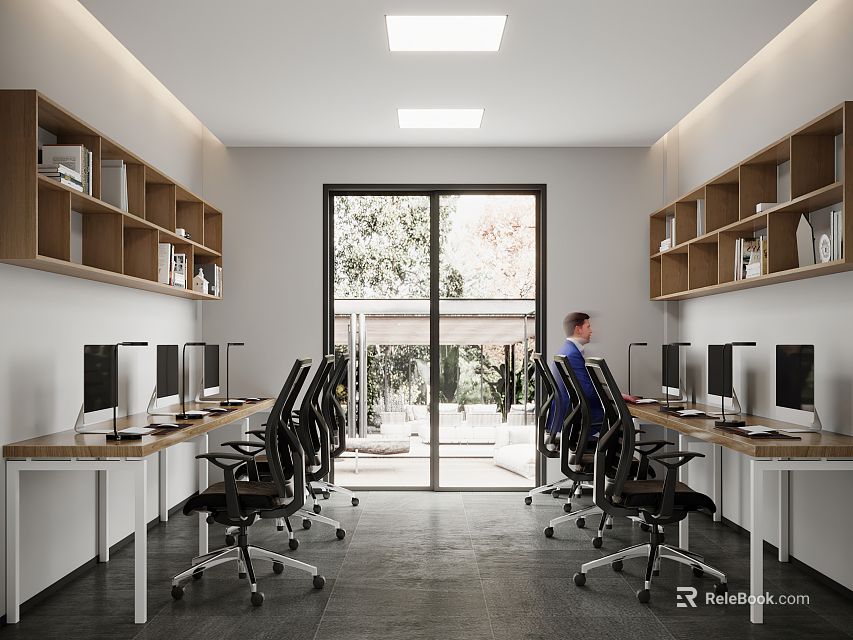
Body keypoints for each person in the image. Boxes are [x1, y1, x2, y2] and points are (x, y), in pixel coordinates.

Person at [549, 312, 605, 439]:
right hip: (577, 422)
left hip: (567, 418)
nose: (591, 331)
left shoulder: (566, 351)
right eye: (588, 327)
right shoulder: (572, 354)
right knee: (622, 427)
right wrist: (617, 396)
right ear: (578, 329)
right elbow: (587, 392)